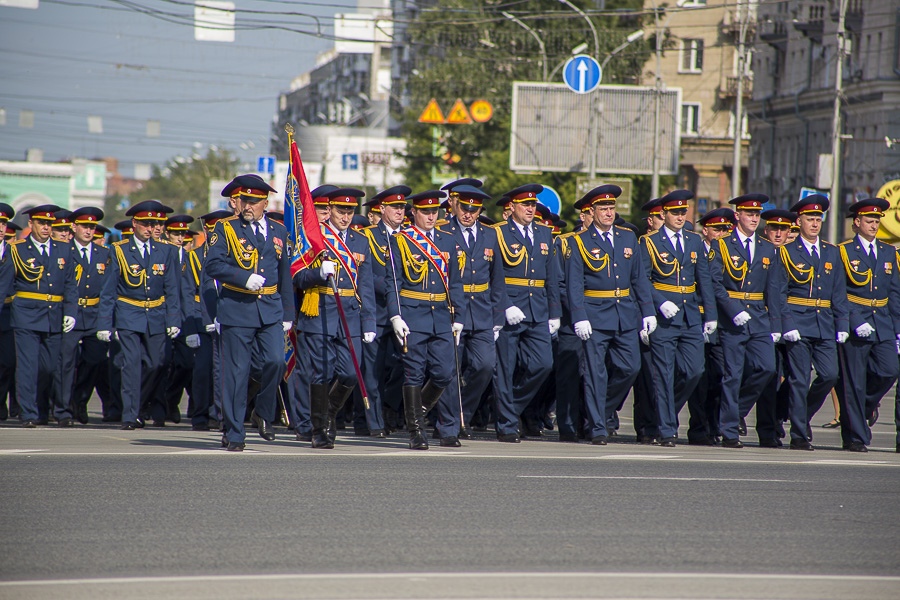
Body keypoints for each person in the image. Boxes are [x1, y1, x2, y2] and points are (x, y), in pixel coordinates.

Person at [204, 175, 293, 451]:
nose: (248, 206)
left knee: (276, 362)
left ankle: (263, 413)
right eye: (244, 200)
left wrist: (288, 313)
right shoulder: (225, 228)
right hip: (237, 309)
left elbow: (284, 275)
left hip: (270, 309)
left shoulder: (278, 231)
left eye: (254, 201)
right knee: (236, 373)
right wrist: (242, 278)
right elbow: (213, 265)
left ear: (265, 203)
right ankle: (233, 431)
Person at [564, 185, 656, 445]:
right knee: (595, 373)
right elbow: (574, 283)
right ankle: (597, 428)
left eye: (611, 208)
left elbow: (638, 278)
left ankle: (599, 411)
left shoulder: (628, 238)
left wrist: (647, 311)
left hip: (624, 313)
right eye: (602, 209)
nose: (608, 212)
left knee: (630, 367)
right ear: (591, 212)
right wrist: (578, 315)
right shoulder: (579, 241)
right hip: (594, 314)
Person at [294, 187, 376, 449]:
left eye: (350, 211)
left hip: (350, 314)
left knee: (351, 373)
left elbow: (366, 284)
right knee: (321, 373)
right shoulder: (315, 236)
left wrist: (369, 321)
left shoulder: (360, 240)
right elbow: (297, 277)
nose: (346, 216)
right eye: (341, 210)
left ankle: (328, 412)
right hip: (320, 309)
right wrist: (318, 272)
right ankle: (318, 429)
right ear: (330, 209)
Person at [384, 189, 465, 449]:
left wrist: (459, 316)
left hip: (441, 315)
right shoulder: (401, 240)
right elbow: (393, 282)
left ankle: (416, 412)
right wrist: (396, 315)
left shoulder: (447, 240)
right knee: (414, 374)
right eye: (426, 212)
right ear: (414, 213)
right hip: (413, 313)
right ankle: (416, 431)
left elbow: (455, 282)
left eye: (435, 212)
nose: (431, 216)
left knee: (444, 373)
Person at [639, 190, 717, 447]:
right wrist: (659, 304)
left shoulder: (694, 241)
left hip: (690, 314)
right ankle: (667, 430)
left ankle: (663, 414)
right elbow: (642, 279)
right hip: (665, 317)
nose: (680, 216)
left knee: (694, 370)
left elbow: (703, 279)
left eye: (684, 212)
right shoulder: (650, 242)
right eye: (675, 212)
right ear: (664, 214)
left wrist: (711, 315)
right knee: (664, 373)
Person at [709, 194, 786, 448]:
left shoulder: (767, 248)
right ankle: (729, 431)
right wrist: (732, 309)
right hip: (733, 318)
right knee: (733, 374)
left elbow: (773, 289)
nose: (754, 218)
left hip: (759, 318)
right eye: (749, 214)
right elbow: (715, 284)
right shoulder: (722, 245)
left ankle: (734, 411)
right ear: (737, 217)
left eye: (757, 215)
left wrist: (775, 324)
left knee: (767, 368)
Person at [97, 200, 181, 430]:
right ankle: (129, 414)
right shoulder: (119, 250)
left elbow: (172, 288)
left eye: (154, 223)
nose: (150, 227)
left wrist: (174, 319)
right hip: (128, 314)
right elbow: (109, 290)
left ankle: (138, 403)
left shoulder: (167, 250)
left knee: (156, 364)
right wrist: (105, 323)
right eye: (145, 223)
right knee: (131, 365)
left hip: (156, 313)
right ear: (134, 223)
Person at [779, 194, 849, 451]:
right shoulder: (787, 252)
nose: (815, 223)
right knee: (799, 379)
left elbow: (838, 292)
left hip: (825, 324)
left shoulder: (832, 252)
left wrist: (842, 324)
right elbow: (779, 293)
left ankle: (802, 414)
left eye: (818, 219)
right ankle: (798, 435)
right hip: (798, 322)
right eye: (810, 219)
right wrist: (787, 324)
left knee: (830, 375)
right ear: (800, 221)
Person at [492, 184, 561, 443]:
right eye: (525, 205)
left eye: (533, 205)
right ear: (512, 207)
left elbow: (551, 277)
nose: (530, 209)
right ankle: (507, 424)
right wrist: (504, 305)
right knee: (506, 369)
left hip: (538, 308)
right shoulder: (498, 233)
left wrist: (554, 312)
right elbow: (495, 275)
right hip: (512, 308)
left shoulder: (544, 233)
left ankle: (511, 409)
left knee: (543, 365)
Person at [439, 181, 507, 441]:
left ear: (480, 210)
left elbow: (497, 279)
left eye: (474, 209)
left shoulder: (491, 234)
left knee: (485, 366)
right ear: (456, 206)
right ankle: (450, 424)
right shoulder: (444, 231)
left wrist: (498, 316)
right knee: (449, 369)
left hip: (481, 310)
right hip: (453, 309)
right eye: (464, 208)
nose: (468, 214)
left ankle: (461, 412)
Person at [834, 198, 900, 452]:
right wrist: (853, 320)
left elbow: (893, 293)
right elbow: (839, 293)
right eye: (869, 221)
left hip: (882, 321)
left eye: (877, 221)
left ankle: (863, 408)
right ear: (857, 223)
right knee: (853, 381)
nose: (874, 225)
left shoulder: (887, 252)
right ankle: (854, 437)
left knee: (888, 370)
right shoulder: (844, 251)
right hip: (856, 321)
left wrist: (897, 328)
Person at [10, 205, 78, 427]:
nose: (47, 228)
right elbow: (6, 284)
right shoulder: (18, 249)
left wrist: (71, 312)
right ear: (31, 224)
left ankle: (40, 406)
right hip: (26, 315)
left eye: (50, 224)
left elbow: (70, 284)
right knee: (28, 366)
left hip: (54, 315)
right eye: (42, 223)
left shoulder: (63, 249)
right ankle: (28, 413)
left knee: (49, 367)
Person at [359, 186, 410, 438]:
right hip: (378, 313)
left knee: (406, 366)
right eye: (395, 207)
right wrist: (395, 292)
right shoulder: (368, 236)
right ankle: (374, 422)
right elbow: (368, 276)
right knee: (373, 370)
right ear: (382, 209)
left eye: (402, 208)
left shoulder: (411, 236)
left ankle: (390, 407)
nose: (400, 212)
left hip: (405, 314)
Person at [59, 207, 110, 424]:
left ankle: (79, 399)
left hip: (94, 314)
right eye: (85, 227)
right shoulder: (63, 250)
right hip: (70, 314)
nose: (89, 231)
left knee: (95, 360)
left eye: (92, 227)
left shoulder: (103, 254)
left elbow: (108, 288)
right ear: (74, 227)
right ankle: (64, 408)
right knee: (67, 363)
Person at [689, 207, 735, 445]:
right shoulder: (695, 250)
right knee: (699, 377)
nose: (721, 233)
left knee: (719, 374)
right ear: (705, 230)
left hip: (719, 321)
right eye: (717, 229)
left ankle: (715, 423)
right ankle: (698, 428)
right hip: (695, 317)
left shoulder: (729, 253)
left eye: (726, 229)